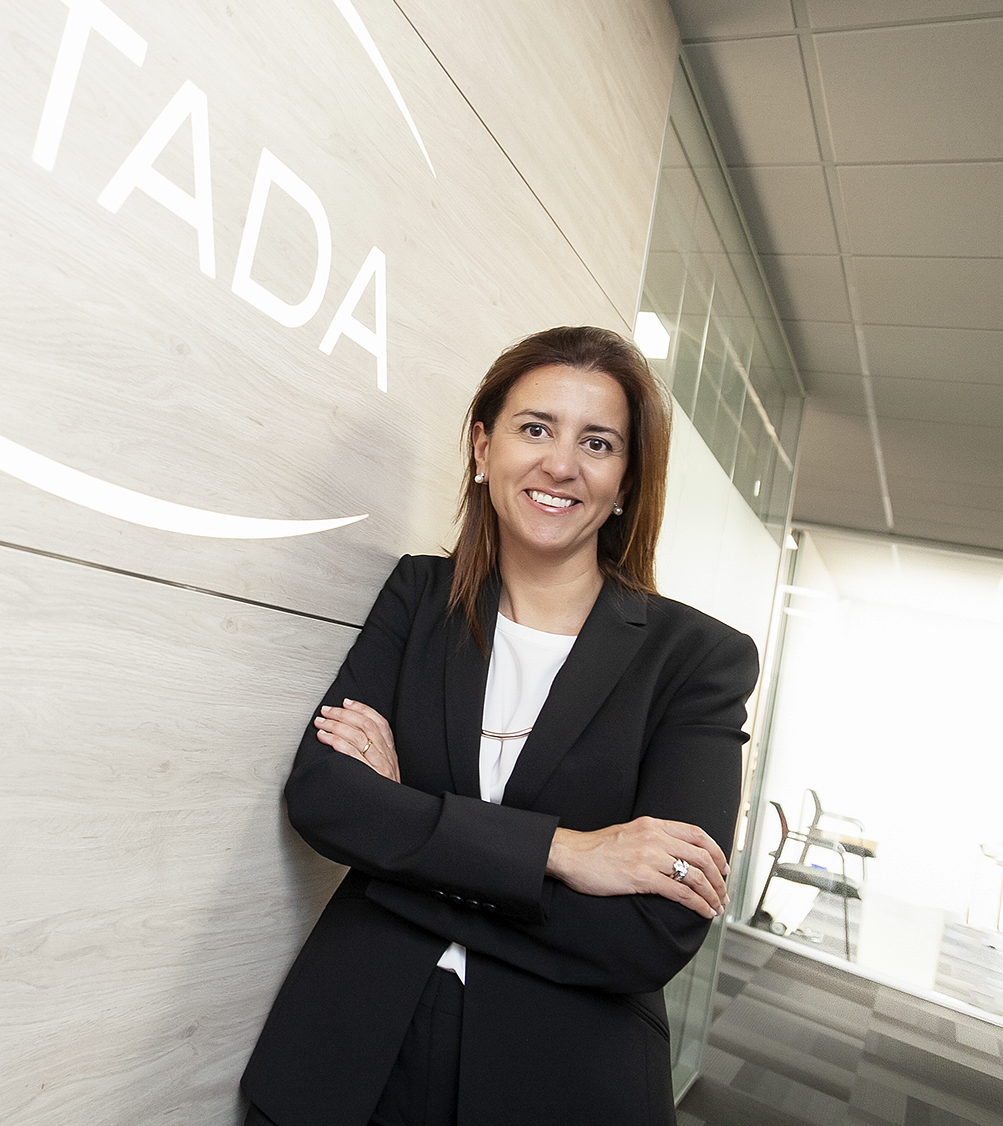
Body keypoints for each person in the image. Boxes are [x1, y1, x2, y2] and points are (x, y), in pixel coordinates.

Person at [240, 326, 761, 1126]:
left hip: (558, 1080)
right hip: (348, 1053)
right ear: (485, 449)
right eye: (536, 428)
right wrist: (565, 853)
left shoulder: (697, 661)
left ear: (626, 481)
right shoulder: (420, 597)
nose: (562, 464)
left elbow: (647, 933)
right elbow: (324, 799)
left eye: (597, 442)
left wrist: (402, 835)